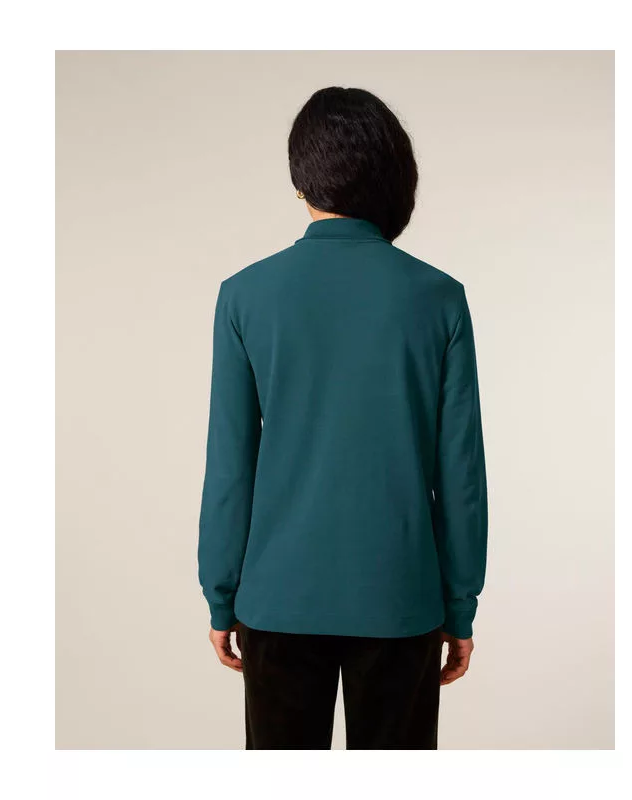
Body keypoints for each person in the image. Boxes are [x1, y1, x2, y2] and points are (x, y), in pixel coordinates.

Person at [198, 87, 488, 750]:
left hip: (278, 597)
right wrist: (459, 605)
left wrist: (221, 594)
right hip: (401, 597)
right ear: (394, 177)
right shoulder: (439, 299)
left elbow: (230, 466)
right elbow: (461, 475)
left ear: (301, 179)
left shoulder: (244, 296)